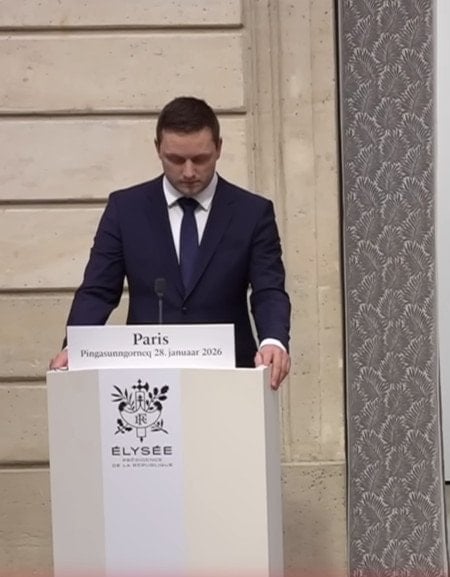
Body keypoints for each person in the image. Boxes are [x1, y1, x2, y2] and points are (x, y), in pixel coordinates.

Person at [49, 96, 292, 388]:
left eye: (200, 159)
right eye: (176, 160)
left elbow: (268, 290)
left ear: (219, 148)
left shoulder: (252, 212)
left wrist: (273, 340)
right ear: (158, 149)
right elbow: (98, 291)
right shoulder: (125, 209)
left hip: (230, 378)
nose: (188, 172)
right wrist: (76, 347)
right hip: (145, 381)